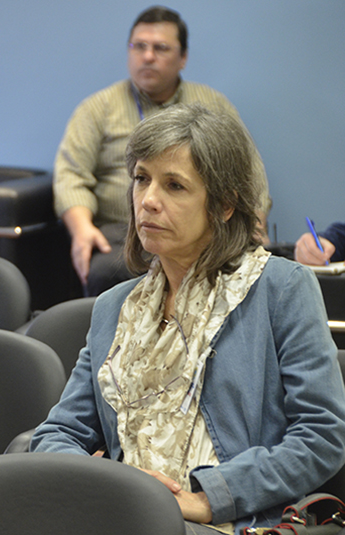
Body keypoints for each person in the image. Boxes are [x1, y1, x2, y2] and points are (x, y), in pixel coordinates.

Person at [32, 104, 345, 534]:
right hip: (121, 512)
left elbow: (322, 437)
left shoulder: (282, 288)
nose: (148, 200)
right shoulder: (114, 306)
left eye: (174, 185)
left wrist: (207, 498)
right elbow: (55, 435)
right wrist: (115, 483)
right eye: (142, 178)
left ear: (225, 204)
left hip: (227, 521)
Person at [53, 5, 270, 297]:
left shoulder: (212, 104)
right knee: (104, 268)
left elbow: (250, 172)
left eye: (161, 48)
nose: (148, 56)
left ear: (183, 58)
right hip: (123, 232)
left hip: (202, 229)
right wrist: (81, 229)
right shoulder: (98, 108)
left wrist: (254, 225)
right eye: (139, 46)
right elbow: (70, 175)